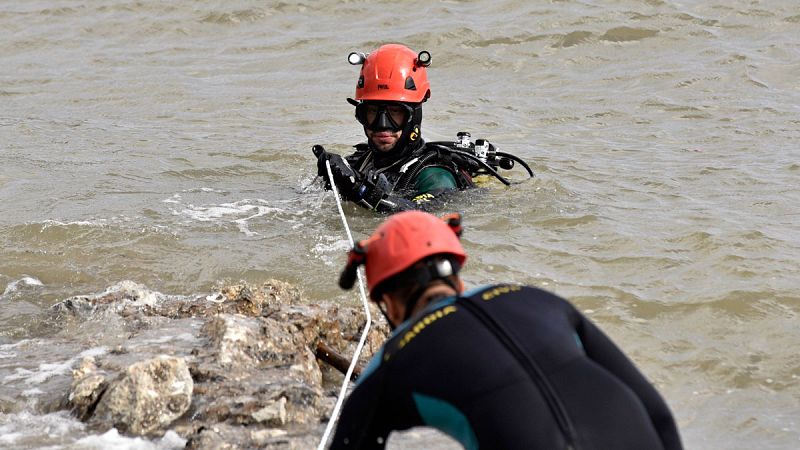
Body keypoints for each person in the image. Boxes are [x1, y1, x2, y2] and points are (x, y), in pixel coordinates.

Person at [330, 211, 683, 450]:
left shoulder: (395, 357)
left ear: (388, 301)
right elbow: (657, 412)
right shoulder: (540, 300)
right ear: (456, 269)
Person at [313, 44, 532, 213]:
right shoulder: (362, 161)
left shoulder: (434, 173)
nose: (382, 125)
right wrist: (329, 180)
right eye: (372, 112)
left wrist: (362, 191)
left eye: (395, 112)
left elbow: (421, 214)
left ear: (413, 116)